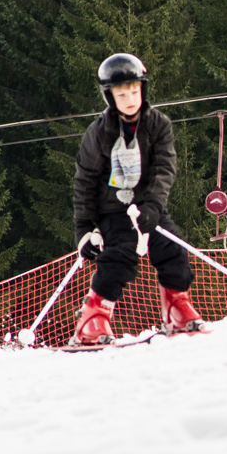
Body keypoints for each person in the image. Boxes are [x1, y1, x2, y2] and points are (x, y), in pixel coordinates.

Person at [68, 52, 204, 344]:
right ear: (110, 97)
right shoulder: (99, 133)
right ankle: (93, 317)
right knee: (120, 256)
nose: (130, 99)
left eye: (134, 91)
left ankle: (176, 306)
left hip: (147, 206)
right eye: (121, 94)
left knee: (173, 250)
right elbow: (85, 180)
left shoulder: (158, 124)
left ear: (143, 90)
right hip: (112, 209)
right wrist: (84, 228)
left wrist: (153, 206)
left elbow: (163, 168)